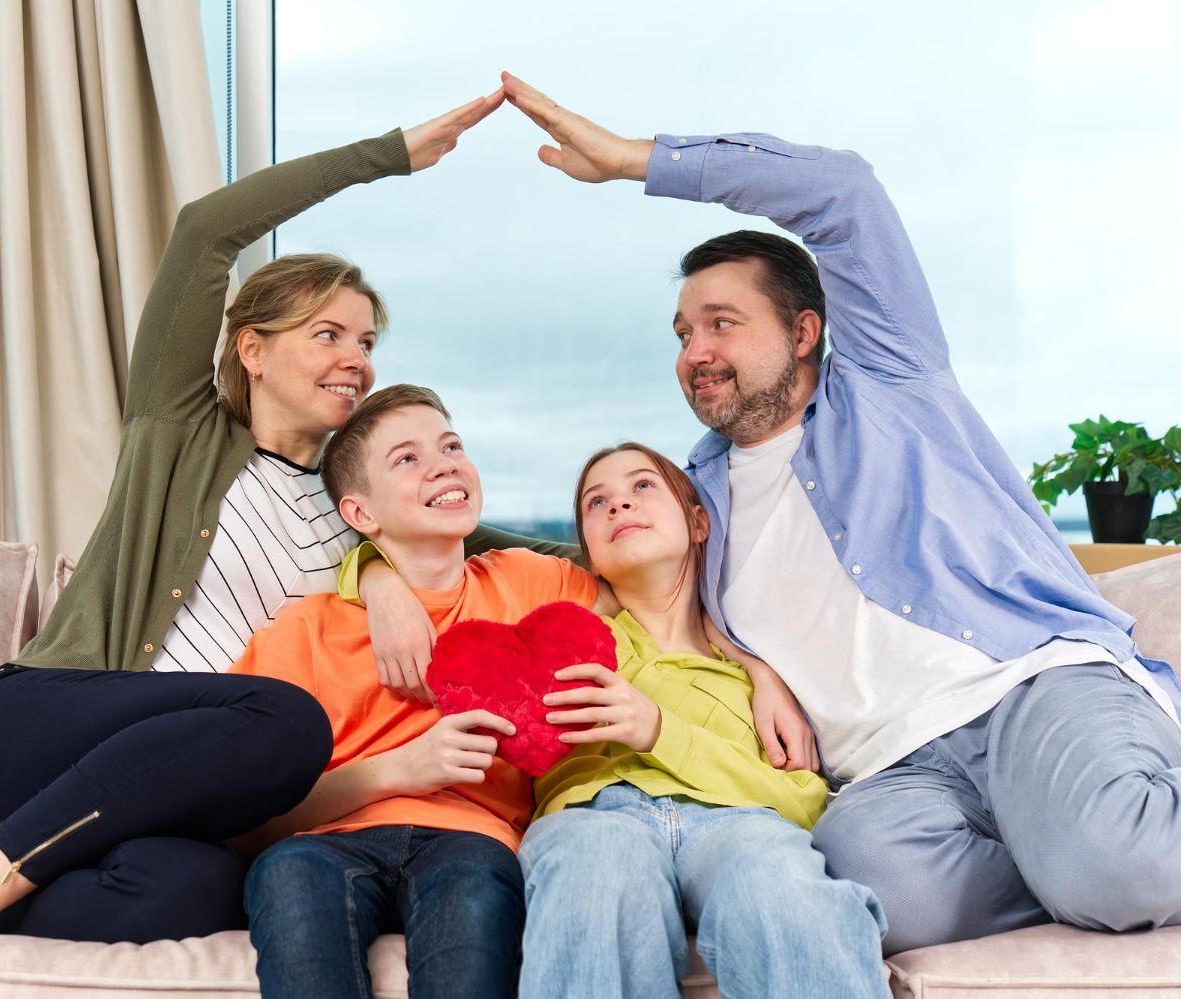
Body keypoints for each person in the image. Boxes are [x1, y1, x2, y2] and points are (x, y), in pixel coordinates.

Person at [0, 92, 570, 981]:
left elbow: (551, 549)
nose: (356, 359)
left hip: (144, 810)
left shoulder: (362, 512)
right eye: (327, 333)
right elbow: (206, 230)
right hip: (33, 737)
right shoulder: (180, 427)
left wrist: (382, 573)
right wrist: (387, 153)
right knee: (288, 722)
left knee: (202, 885)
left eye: (365, 340)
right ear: (250, 349)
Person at [500, 71, 1181, 954]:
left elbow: (843, 192)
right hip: (889, 777)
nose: (695, 352)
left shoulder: (893, 382)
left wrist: (639, 160)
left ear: (806, 331)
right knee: (857, 903)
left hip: (1025, 690)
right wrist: (752, 663)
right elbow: (585, 552)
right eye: (681, 334)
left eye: (720, 324)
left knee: (1115, 866)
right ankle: (1075, 845)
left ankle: (1099, 846)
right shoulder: (691, 498)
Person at [231, 384, 602, 999]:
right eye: (406, 458)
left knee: (478, 894)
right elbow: (248, 820)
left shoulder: (533, 582)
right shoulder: (306, 630)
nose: (444, 463)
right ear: (360, 515)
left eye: (451, 445)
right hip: (324, 846)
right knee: (288, 875)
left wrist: (759, 666)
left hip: (473, 843)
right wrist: (399, 770)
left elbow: (654, 593)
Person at [518, 441, 887, 998]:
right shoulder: (567, 647)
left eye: (642, 486)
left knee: (782, 887)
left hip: (740, 826)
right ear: (589, 554)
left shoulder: (761, 668)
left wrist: (662, 730)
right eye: (597, 503)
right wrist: (374, 569)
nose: (618, 504)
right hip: (594, 818)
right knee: (592, 871)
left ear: (697, 523)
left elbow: (801, 802)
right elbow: (449, 556)